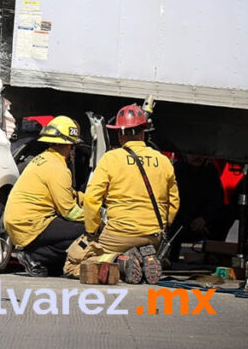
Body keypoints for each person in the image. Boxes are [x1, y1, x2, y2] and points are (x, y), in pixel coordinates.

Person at [67, 103, 180, 284]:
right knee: (148, 248)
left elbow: (91, 198)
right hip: (153, 236)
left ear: (120, 134)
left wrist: (91, 230)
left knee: (73, 264)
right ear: (144, 132)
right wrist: (162, 226)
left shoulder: (111, 159)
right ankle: (144, 257)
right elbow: (173, 202)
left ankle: (118, 261)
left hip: (118, 236)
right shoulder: (163, 161)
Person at [5, 116, 86, 277]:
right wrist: (97, 217)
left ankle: (41, 260)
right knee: (86, 229)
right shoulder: (58, 168)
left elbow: (67, 193)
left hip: (18, 222)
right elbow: (69, 211)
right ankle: (35, 256)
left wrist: (89, 199)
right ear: (69, 145)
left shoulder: (43, 160)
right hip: (31, 224)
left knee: (67, 232)